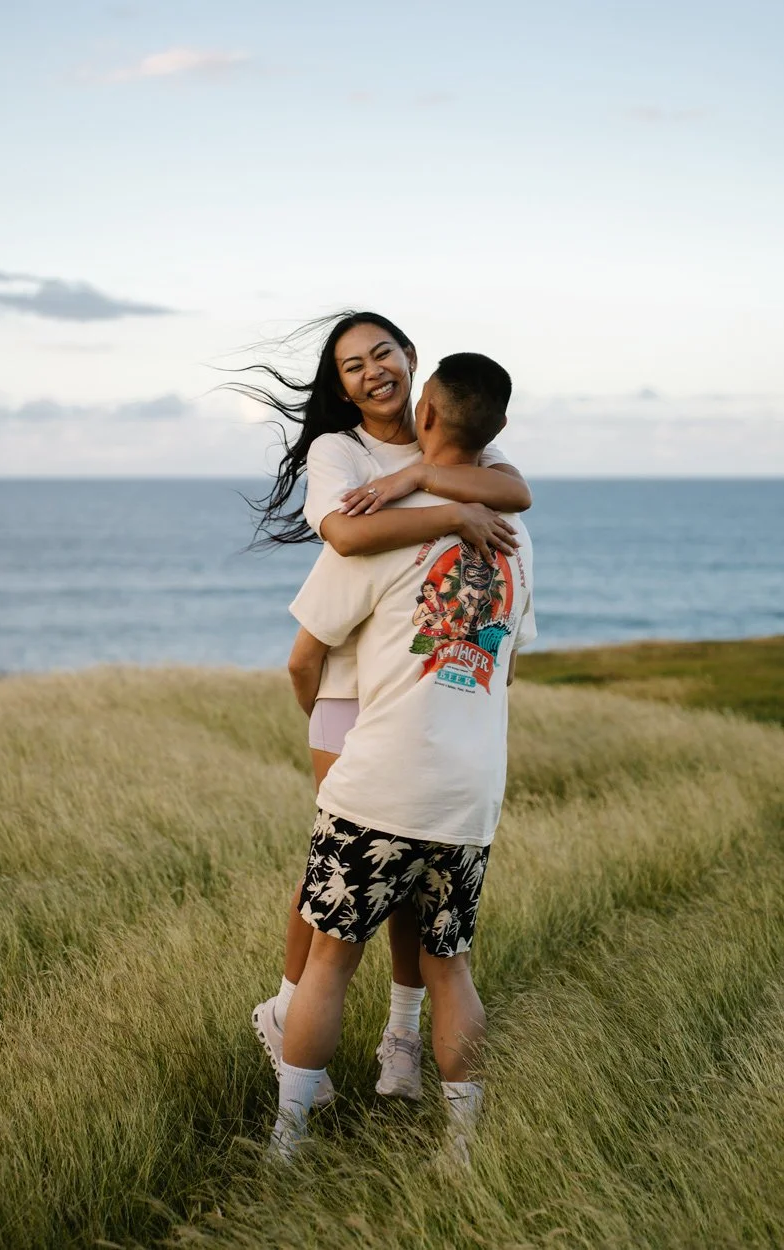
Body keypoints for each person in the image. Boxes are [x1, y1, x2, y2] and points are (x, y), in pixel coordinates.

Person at [225, 312, 531, 1106]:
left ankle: (399, 1038)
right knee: (331, 880)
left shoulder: (458, 446)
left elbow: (514, 493)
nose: (372, 372)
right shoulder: (341, 451)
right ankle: (291, 1012)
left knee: (405, 885)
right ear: (340, 385)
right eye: (352, 365)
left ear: (413, 365)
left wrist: (416, 479)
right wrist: (445, 509)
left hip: (420, 693)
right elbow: (341, 534)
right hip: (346, 692)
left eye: (383, 354)